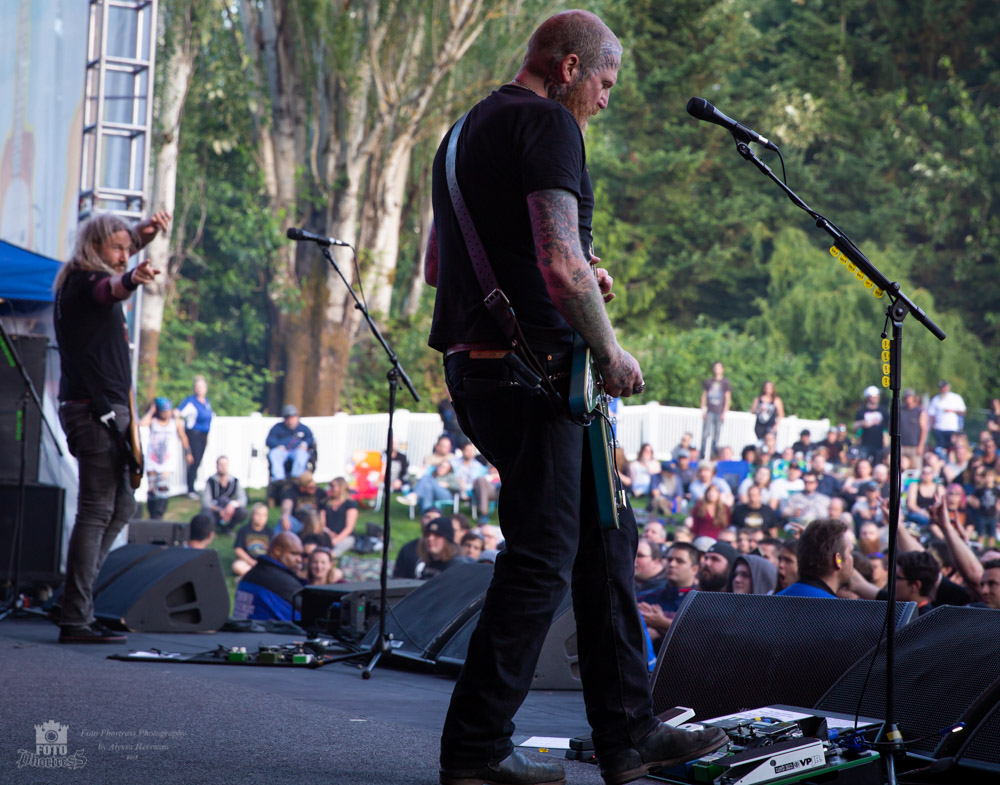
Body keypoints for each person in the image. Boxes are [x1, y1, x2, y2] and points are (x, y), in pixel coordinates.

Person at [425, 11, 724, 785]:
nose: (605, 99)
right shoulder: (549, 124)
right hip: (536, 374)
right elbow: (560, 264)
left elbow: (439, 268)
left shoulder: (461, 134)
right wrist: (609, 348)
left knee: (607, 539)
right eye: (605, 83)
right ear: (568, 68)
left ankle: (629, 737)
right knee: (542, 556)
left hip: (483, 369)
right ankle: (475, 749)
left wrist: (580, 275)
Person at [53, 210, 169, 643]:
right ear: (95, 247)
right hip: (94, 412)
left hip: (99, 410)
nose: (125, 255)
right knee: (98, 510)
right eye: (117, 249)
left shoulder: (81, 277)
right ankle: (74, 617)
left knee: (121, 507)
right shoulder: (86, 282)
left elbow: (123, 252)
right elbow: (111, 288)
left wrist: (145, 233)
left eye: (128, 248)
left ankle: (75, 603)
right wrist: (133, 279)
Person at [232, 532, 305, 621]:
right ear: (277, 551)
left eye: (301, 555)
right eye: (294, 554)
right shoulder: (283, 582)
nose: (299, 560)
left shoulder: (249, 575)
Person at [139, 397, 190, 519]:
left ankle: (160, 513)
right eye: (163, 411)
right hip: (153, 458)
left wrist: (188, 452)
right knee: (152, 487)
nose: (166, 414)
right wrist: (151, 411)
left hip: (167, 459)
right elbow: (141, 423)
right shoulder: (153, 421)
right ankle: (152, 513)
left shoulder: (175, 422)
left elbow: (183, 436)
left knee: (163, 485)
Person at [777, 519, 854, 598]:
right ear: (838, 560)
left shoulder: (774, 600)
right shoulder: (837, 605)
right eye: (850, 552)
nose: (852, 559)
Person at [177, 374, 213, 497]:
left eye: (202, 386)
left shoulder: (206, 402)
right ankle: (190, 489)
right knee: (193, 461)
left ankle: (194, 487)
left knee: (198, 462)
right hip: (194, 435)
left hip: (203, 435)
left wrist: (207, 436)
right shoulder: (191, 401)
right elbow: (178, 413)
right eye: (198, 386)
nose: (200, 389)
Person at [266, 404, 315, 482]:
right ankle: (279, 479)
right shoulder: (277, 428)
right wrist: (277, 445)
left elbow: (310, 439)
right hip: (282, 452)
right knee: (274, 453)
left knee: (301, 454)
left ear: (297, 417)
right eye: (287, 418)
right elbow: (269, 440)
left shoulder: (304, 429)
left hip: (297, 451)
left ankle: (296, 478)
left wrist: (304, 444)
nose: (290, 421)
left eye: (292, 418)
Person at [201, 455, 248, 533]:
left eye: (225, 464)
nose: (223, 467)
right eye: (221, 464)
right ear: (216, 466)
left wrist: (232, 505)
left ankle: (228, 528)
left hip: (228, 508)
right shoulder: (211, 481)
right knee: (206, 513)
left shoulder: (234, 481)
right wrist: (219, 510)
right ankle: (211, 529)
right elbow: (206, 502)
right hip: (215, 508)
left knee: (242, 512)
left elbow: (243, 499)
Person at [232, 502, 274, 577]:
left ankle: (249, 576)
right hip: (247, 562)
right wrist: (251, 562)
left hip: (263, 563)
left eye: (264, 515)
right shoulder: (243, 530)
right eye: (258, 514)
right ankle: (258, 576)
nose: (261, 518)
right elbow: (238, 549)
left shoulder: (269, 532)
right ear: (252, 515)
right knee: (237, 566)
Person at [700, 361, 731, 460]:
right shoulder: (708, 382)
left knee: (716, 435)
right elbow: (704, 396)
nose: (717, 370)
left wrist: (724, 412)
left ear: (722, 369)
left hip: (719, 411)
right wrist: (703, 409)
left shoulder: (725, 383)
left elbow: (727, 398)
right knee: (705, 433)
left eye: (719, 367)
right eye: (715, 367)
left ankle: (713, 455)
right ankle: (702, 455)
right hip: (709, 411)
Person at [321, 476, 359, 556]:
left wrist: (336, 540)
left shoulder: (350, 504)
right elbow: (322, 523)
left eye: (333, 486)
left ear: (341, 488)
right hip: (327, 535)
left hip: (345, 536)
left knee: (338, 547)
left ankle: (330, 557)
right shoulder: (325, 503)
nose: (330, 488)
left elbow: (349, 528)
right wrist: (328, 533)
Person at [928, 380, 966, 451]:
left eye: (943, 387)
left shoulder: (956, 398)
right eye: (940, 388)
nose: (942, 389)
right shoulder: (935, 399)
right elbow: (931, 414)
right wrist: (933, 426)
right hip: (939, 429)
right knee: (940, 449)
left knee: (951, 449)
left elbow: (963, 412)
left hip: (952, 428)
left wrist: (952, 411)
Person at [853, 386, 888, 462]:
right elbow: (854, 427)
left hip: (879, 445)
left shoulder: (883, 410)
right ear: (868, 397)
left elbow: (887, 427)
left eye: (877, 395)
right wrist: (862, 423)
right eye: (874, 396)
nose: (877, 397)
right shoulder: (862, 411)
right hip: (865, 444)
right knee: (864, 463)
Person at [899, 389, 928, 470]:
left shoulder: (919, 411)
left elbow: (924, 429)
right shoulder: (899, 410)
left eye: (909, 397)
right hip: (901, 445)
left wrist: (921, 446)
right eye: (906, 397)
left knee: (917, 469)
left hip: (914, 446)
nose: (908, 399)